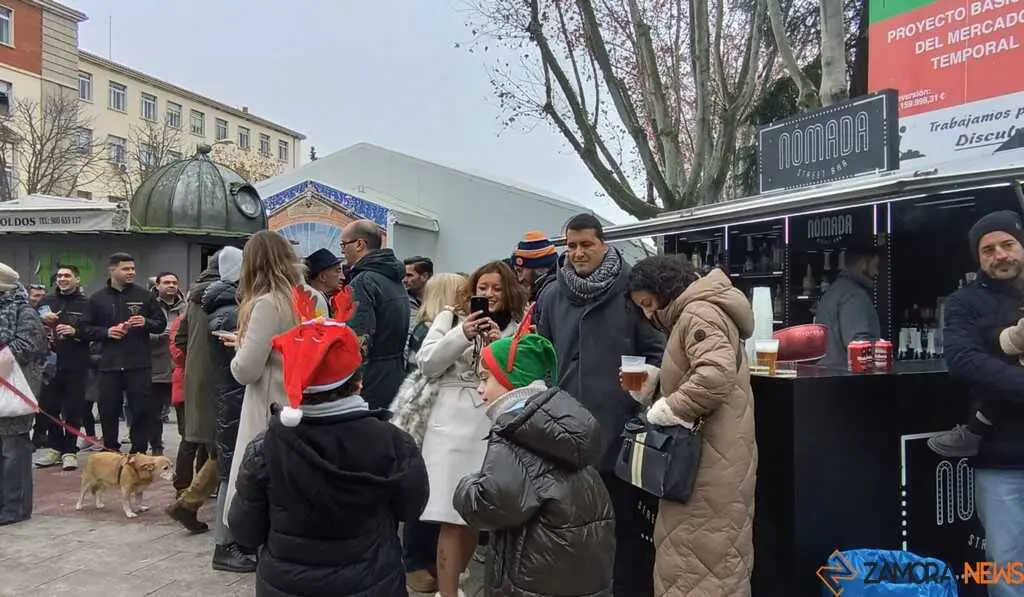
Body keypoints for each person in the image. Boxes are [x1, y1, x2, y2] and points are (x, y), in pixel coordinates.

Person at [227, 285, 429, 597]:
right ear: (358, 382)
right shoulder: (394, 443)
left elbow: (245, 529)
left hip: (286, 585)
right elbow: (411, 508)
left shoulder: (266, 447)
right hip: (372, 582)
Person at [534, 213, 665, 596]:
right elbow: (543, 356)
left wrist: (637, 401)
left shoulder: (631, 292)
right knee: (570, 527)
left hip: (619, 435)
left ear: (603, 244)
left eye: (586, 244)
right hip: (565, 433)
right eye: (571, 245)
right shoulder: (551, 295)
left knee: (622, 530)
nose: (577, 253)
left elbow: (657, 352)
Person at [626, 255, 757, 597]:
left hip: (707, 464)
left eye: (649, 303)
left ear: (664, 289)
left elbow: (714, 375)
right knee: (711, 561)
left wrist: (669, 408)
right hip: (717, 459)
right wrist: (657, 384)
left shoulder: (698, 313)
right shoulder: (698, 310)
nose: (648, 315)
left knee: (697, 564)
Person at [453, 333, 614, 597]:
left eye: (485, 378)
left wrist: (465, 485)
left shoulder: (513, 433)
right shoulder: (561, 427)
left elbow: (490, 505)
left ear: (511, 381)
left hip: (530, 576)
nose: (479, 389)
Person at [417, 260, 526, 597]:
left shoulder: (518, 327)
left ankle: (458, 583)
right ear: (472, 289)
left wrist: (498, 343)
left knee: (475, 516)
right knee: (451, 517)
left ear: (508, 292)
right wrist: (462, 334)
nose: (489, 294)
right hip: (450, 427)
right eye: (483, 287)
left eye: (496, 288)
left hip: (492, 425)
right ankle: (448, 593)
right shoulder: (450, 318)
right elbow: (427, 363)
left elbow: (521, 376)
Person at [942, 211, 1024, 581]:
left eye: (1008, 244)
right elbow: (963, 361)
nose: (999, 255)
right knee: (1008, 566)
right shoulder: (964, 303)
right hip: (1003, 460)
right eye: (988, 250)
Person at [222, 230, 301, 531]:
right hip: (300, 402)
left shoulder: (268, 303)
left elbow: (246, 370)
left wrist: (240, 343)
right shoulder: (309, 297)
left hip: (269, 403)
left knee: (260, 484)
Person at [393, 272, 464, 593]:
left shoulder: (438, 328)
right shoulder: (429, 331)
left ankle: (428, 559)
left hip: (436, 417)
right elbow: (429, 371)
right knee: (424, 494)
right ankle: (414, 562)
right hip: (425, 417)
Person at [79, 253, 166, 454]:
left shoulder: (144, 296)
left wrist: (146, 322)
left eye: (133, 269)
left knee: (141, 410)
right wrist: (106, 332)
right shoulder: (97, 298)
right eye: (126, 269)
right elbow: (84, 328)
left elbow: (161, 323)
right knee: (108, 411)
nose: (131, 272)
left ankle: (138, 451)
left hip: (139, 364)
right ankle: (111, 450)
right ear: (112, 270)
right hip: (108, 364)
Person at [200, 246, 253, 571]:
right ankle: (225, 545)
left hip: (231, 396)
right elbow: (242, 362)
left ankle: (234, 540)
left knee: (232, 468)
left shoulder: (225, 306)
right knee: (231, 472)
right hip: (234, 397)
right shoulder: (230, 312)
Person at [340, 219, 410, 410]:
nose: (342, 251)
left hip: (370, 379)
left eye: (344, 245)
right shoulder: (393, 278)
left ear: (359, 244)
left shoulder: (363, 282)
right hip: (394, 373)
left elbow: (357, 340)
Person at [0, 263, 47, 526]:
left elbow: (27, 346)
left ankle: (15, 508)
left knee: (13, 453)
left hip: (15, 392)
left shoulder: (24, 311)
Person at [34, 265, 90, 470]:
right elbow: (31, 326)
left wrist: (76, 332)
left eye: (67, 275)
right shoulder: (46, 301)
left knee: (74, 408)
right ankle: (55, 447)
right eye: (59, 276)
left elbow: (96, 331)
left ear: (77, 279)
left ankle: (70, 451)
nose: (62, 279)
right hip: (49, 364)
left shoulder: (87, 304)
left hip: (77, 363)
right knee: (49, 407)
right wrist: (41, 320)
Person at [815, 246, 882, 369]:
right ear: (863, 263)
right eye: (876, 266)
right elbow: (859, 346)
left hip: (828, 373)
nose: (876, 273)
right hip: (845, 375)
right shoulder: (854, 295)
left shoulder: (834, 290)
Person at [149, 272, 186, 456]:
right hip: (155, 365)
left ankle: (186, 447)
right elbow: (138, 332)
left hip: (180, 366)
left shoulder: (186, 307)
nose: (171, 285)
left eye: (174, 282)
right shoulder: (149, 305)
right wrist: (157, 335)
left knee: (183, 410)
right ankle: (156, 447)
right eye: (166, 282)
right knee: (154, 411)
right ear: (157, 285)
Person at [511, 231, 559, 303]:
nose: (519, 279)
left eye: (520, 271)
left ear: (536, 267)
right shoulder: (549, 290)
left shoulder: (550, 295)